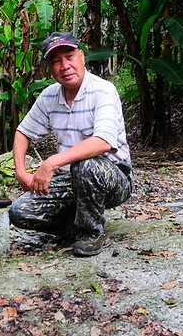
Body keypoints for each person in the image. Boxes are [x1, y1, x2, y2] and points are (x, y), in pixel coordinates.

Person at [9, 32, 133, 257]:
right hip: (69, 180)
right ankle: (76, 225)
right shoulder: (49, 96)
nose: (64, 66)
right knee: (20, 212)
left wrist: (51, 162)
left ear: (82, 57)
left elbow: (103, 141)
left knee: (84, 165)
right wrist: (20, 172)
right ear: (50, 67)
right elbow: (22, 132)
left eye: (69, 56)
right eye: (56, 61)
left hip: (113, 178)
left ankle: (91, 233)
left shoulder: (103, 91)